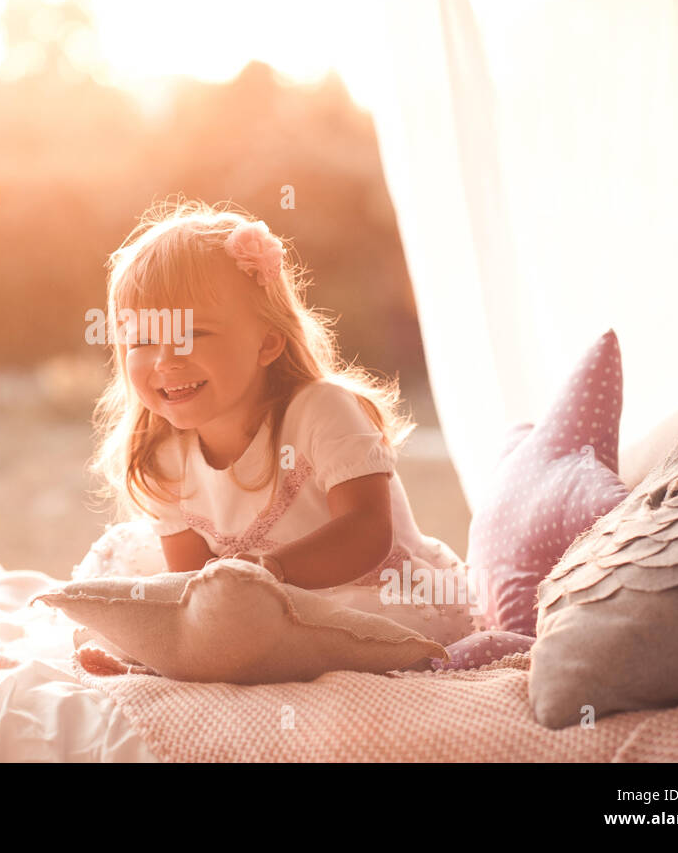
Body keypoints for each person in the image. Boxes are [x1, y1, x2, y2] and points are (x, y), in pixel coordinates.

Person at [86, 200, 475, 645]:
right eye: (142, 339)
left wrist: (267, 575)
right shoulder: (163, 456)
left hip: (360, 585)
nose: (166, 359)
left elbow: (368, 533)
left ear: (267, 343)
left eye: (194, 334)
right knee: (132, 577)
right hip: (246, 598)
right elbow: (191, 581)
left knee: (341, 630)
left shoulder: (321, 410)